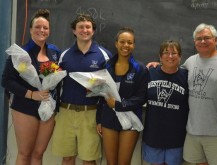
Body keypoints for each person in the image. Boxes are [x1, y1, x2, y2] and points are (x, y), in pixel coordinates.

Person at [147, 23, 217, 165]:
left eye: (207, 38)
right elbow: (171, 70)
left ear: (216, 40)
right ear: (194, 43)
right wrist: (157, 65)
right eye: (199, 39)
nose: (203, 41)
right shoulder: (190, 62)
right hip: (192, 131)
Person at [51, 13, 112, 165]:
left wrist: (100, 118)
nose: (84, 30)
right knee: (67, 158)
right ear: (73, 30)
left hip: (90, 113)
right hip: (66, 112)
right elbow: (55, 83)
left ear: (93, 31)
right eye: (80, 27)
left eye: (88, 27)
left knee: (89, 159)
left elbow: (109, 90)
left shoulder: (104, 56)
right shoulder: (64, 55)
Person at [1, 9, 60, 164]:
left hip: (47, 108)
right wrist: (31, 94)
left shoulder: (54, 52)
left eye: (45, 28)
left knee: (39, 153)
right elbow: (6, 81)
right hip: (24, 107)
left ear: (49, 30)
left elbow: (55, 79)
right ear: (30, 30)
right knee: (25, 153)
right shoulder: (21, 54)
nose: (42, 30)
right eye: (38, 27)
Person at [96, 27, 148, 165]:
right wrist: (98, 120)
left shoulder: (140, 69)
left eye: (129, 42)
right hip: (108, 118)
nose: (126, 45)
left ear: (134, 45)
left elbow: (142, 97)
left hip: (130, 120)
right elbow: (101, 96)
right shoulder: (106, 66)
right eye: (122, 42)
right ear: (116, 43)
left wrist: (119, 105)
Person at [142, 40, 189, 165]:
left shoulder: (187, 76)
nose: (170, 56)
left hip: (176, 136)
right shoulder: (150, 72)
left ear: (180, 57)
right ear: (159, 56)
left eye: (174, 53)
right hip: (154, 134)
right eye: (166, 53)